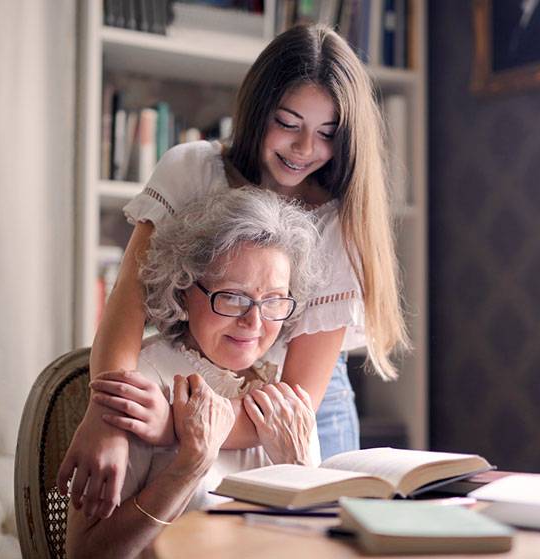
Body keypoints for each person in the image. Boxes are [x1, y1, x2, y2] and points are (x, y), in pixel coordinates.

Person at [58, 23, 409, 520]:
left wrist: (170, 427)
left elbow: (298, 398)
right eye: (288, 123)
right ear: (257, 110)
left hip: (300, 407)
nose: (305, 148)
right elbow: (126, 309)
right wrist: (107, 418)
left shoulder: (339, 221)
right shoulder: (192, 170)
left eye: (327, 133)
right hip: (194, 380)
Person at [66, 188, 321, 558]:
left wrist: (299, 470)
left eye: (273, 301)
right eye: (233, 296)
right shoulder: (141, 385)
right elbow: (86, 554)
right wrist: (187, 468)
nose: (254, 321)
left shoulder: (285, 399)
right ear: (184, 289)